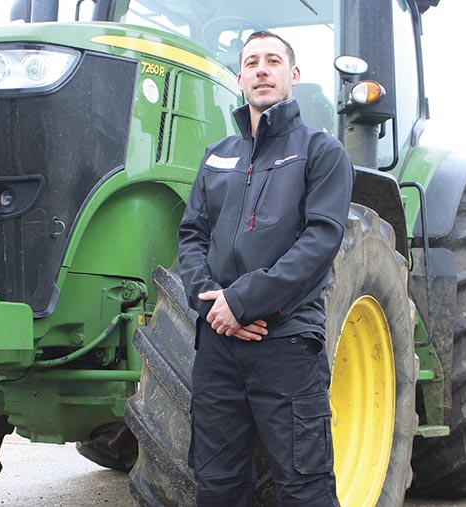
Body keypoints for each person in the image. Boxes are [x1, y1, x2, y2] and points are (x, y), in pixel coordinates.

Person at [178, 31, 354, 507]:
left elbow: (319, 241)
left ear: (292, 75)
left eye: (273, 61)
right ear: (239, 78)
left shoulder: (321, 152)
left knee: (304, 486)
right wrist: (214, 303)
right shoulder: (218, 156)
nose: (261, 69)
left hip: (286, 345)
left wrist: (244, 301)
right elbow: (191, 236)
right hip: (218, 346)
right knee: (217, 485)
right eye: (251, 62)